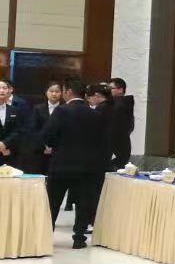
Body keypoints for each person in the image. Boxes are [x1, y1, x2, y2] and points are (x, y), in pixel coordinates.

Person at [42, 79, 109, 248]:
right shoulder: (94, 114)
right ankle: (79, 238)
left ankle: (46, 236)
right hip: (86, 167)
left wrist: (54, 145)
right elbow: (102, 141)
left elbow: (48, 135)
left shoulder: (61, 111)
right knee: (83, 202)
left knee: (53, 202)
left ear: (68, 92)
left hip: (61, 164)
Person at [28, 82, 63, 174]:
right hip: (40, 151)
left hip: (59, 151)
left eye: (57, 91)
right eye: (51, 91)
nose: (54, 94)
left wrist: (54, 148)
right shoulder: (38, 109)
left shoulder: (65, 108)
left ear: (61, 93)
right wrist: (44, 146)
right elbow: (33, 129)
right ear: (46, 92)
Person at [0, 79, 30, 168]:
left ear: (9, 91)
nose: (1, 90)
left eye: (4, 88)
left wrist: (5, 144)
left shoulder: (14, 110)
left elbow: (18, 130)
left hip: (9, 152)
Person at [108, 77, 135, 170]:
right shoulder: (116, 104)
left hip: (118, 143)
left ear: (120, 90)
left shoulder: (121, 104)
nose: (107, 91)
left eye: (110, 88)